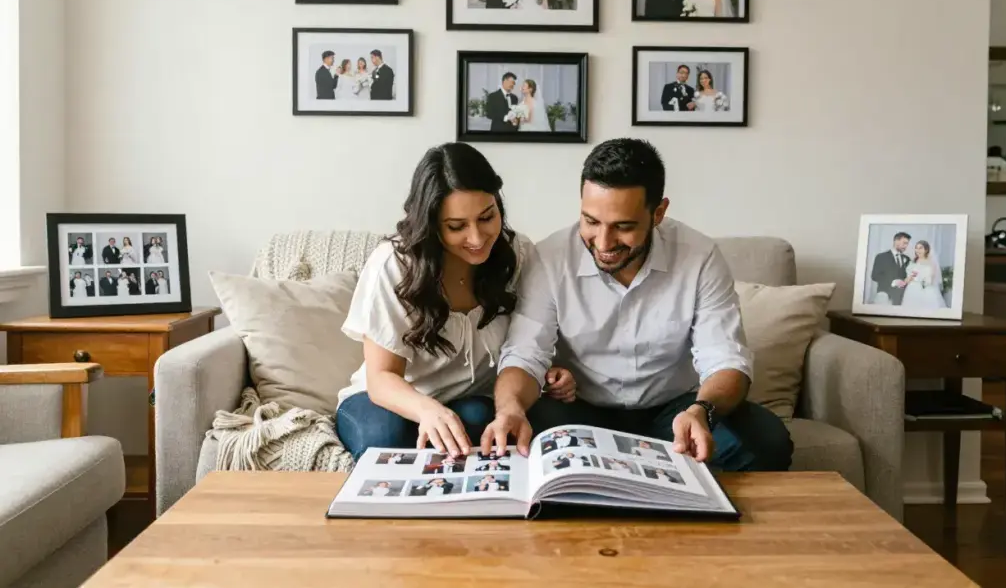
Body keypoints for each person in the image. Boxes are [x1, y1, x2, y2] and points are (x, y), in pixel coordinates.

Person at [481, 138, 794, 474]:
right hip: (582, 408)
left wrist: (700, 409)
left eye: (623, 227)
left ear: (658, 213)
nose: (603, 242)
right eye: (591, 221)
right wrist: (509, 409)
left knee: (767, 439)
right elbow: (525, 353)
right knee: (521, 426)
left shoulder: (699, 257)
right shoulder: (549, 258)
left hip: (675, 409)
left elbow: (725, 358)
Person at [334, 142, 576, 461]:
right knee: (386, 437)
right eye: (457, 226)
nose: (477, 238)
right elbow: (381, 380)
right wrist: (427, 410)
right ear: (432, 224)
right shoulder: (394, 266)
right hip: (390, 401)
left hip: (471, 400)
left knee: (481, 422)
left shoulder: (518, 256)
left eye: (487, 217)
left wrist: (554, 372)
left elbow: (529, 343)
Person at [901, 240, 947, 309]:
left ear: (926, 249)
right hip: (912, 290)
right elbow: (909, 276)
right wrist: (905, 281)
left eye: (920, 248)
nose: (918, 250)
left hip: (926, 290)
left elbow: (931, 280)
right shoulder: (913, 261)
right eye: (916, 248)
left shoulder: (931, 263)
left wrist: (920, 280)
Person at [870, 231, 911, 305]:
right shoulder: (881, 257)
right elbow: (874, 276)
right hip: (884, 295)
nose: (905, 246)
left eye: (907, 244)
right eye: (904, 243)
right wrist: (893, 282)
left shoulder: (907, 259)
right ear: (896, 241)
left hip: (901, 297)